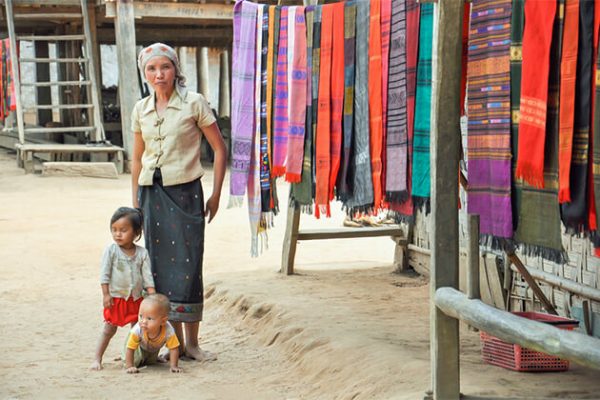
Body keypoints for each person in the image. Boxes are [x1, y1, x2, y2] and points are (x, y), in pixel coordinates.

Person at [131, 43, 227, 361]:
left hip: (186, 194)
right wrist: (135, 206)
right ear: (145, 73)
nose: (159, 74)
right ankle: (174, 344)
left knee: (189, 266)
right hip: (150, 196)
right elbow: (136, 160)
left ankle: (193, 344)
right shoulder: (140, 109)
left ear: (176, 69)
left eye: (165, 67)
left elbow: (220, 149)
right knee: (159, 271)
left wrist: (214, 194)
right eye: (152, 69)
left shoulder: (193, 103)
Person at [90, 207, 155, 371]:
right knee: (108, 329)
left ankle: (133, 360)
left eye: (123, 230)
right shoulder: (111, 251)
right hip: (116, 299)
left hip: (136, 300)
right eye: (114, 230)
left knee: (138, 331)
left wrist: (152, 297)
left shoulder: (142, 253)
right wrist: (106, 295)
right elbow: (104, 275)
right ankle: (97, 358)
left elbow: (147, 277)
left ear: (136, 232)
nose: (118, 234)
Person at [124, 294, 182, 373]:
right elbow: (130, 348)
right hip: (137, 347)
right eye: (141, 316)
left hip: (152, 348)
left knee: (151, 362)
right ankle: (129, 360)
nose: (143, 321)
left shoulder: (168, 331)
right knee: (136, 361)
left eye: (149, 318)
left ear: (163, 321)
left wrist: (174, 366)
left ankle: (150, 357)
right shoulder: (138, 330)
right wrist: (130, 366)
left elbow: (174, 348)